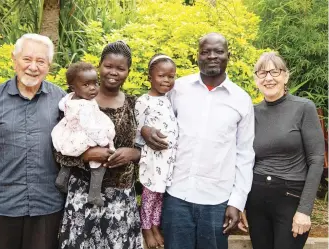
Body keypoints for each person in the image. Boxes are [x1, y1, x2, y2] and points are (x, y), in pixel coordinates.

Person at [141, 32, 255, 249]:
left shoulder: (241, 100)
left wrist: (237, 202)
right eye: (205, 51)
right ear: (197, 56)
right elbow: (153, 115)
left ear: (228, 55)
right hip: (176, 196)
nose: (212, 56)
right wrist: (145, 130)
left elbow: (245, 154)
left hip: (217, 201)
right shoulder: (178, 89)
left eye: (218, 51)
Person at [0, 34, 66, 249]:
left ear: (49, 65)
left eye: (40, 61)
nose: (33, 67)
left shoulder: (61, 100)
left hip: (47, 203)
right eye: (26, 59)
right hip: (1, 202)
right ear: (14, 59)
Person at [55, 41, 143, 249]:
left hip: (120, 200)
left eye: (120, 68)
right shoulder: (75, 104)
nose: (113, 72)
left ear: (128, 72)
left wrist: (135, 154)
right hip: (82, 195)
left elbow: (151, 150)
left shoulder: (135, 104)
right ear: (99, 66)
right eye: (108, 66)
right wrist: (85, 155)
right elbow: (58, 146)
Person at [241, 52, 325, 249]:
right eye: (262, 73)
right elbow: (244, 160)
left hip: (291, 200)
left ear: (286, 76)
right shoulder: (251, 113)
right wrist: (241, 204)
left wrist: (305, 210)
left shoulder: (303, 108)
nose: (268, 78)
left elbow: (316, 160)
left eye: (274, 72)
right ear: (255, 79)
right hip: (257, 200)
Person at [51, 62, 116, 207]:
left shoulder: (69, 98)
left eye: (95, 83)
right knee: (100, 159)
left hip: (69, 134)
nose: (93, 88)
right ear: (73, 87)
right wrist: (103, 142)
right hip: (83, 136)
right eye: (86, 85)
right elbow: (90, 127)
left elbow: (62, 105)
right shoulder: (85, 106)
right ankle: (94, 193)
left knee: (69, 157)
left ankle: (62, 178)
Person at [135, 54, 178, 248]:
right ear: (150, 77)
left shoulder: (169, 99)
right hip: (153, 158)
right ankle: (146, 228)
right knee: (150, 194)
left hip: (168, 160)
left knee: (160, 195)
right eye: (162, 76)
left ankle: (154, 225)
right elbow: (137, 128)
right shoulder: (144, 100)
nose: (167, 80)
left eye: (171, 76)